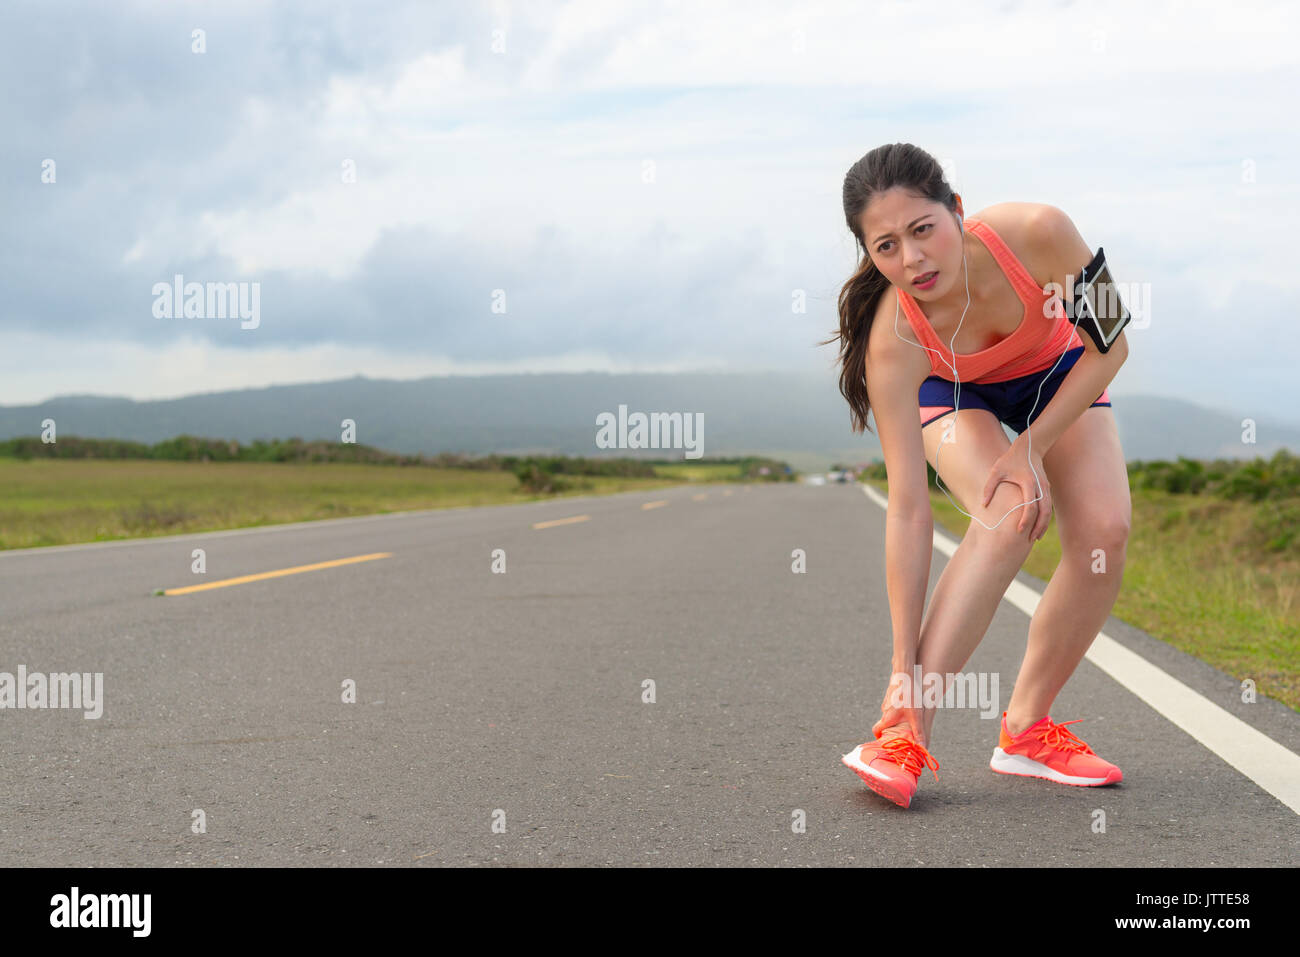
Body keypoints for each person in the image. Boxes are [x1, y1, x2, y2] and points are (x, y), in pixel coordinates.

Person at [821, 143, 1132, 808]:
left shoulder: (1041, 230)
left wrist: (1033, 446)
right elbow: (908, 507)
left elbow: (1113, 345)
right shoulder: (893, 339)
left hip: (1059, 372)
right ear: (868, 253)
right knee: (1011, 509)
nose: (912, 259)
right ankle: (903, 731)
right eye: (886, 246)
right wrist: (902, 667)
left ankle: (1027, 730)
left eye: (923, 229)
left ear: (957, 209)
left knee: (1105, 532)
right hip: (954, 392)